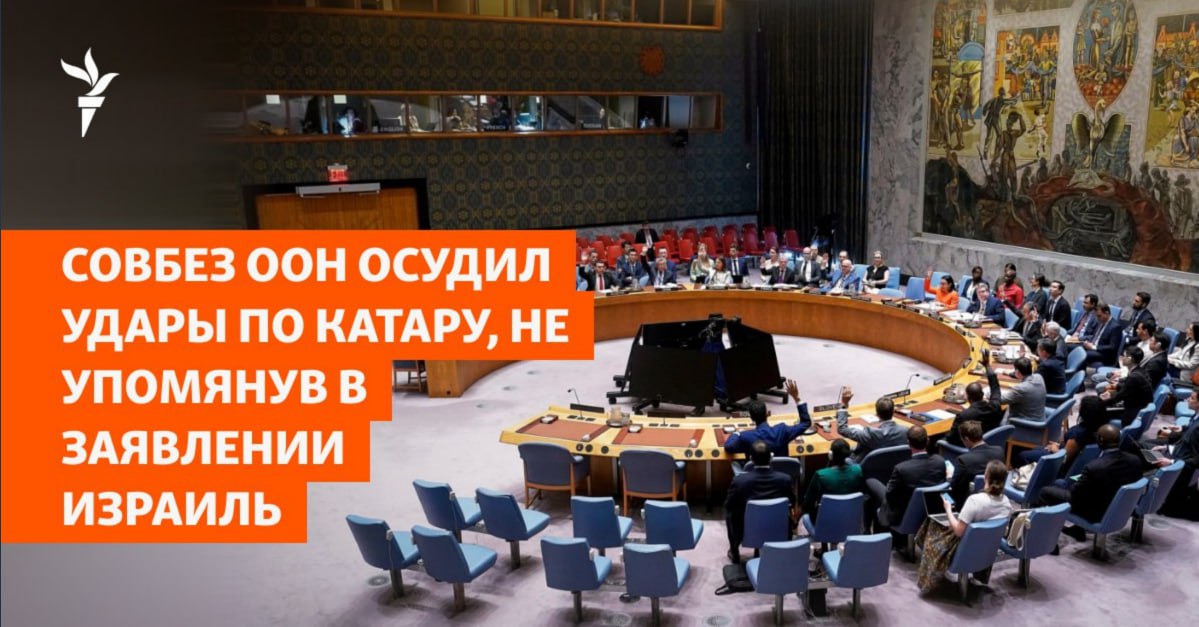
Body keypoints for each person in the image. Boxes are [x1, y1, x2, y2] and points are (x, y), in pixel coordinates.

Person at [1033, 424, 1143, 542]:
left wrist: (1080, 482)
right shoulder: (1135, 460)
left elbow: (1074, 495)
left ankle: (1043, 538)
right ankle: (1077, 530)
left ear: (1100, 440)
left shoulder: (1095, 467)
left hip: (1095, 513)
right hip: (1120, 509)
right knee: (1062, 484)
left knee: (1045, 492)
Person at [915, 461, 1011, 594]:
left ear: (986, 476)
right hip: (988, 548)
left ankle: (929, 573)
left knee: (932, 523)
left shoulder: (975, 500)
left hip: (964, 546)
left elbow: (959, 532)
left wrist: (948, 510)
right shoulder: (1006, 503)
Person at [725, 440, 795, 563]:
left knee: (730, 513)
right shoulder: (785, 480)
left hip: (746, 529)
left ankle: (735, 551)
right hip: (777, 526)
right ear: (771, 458)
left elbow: (729, 505)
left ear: (751, 459)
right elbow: (792, 502)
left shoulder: (739, 481)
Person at [868, 425, 946, 529]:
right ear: (927, 440)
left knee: (870, 480)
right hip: (931, 508)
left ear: (908, 443)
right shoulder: (940, 461)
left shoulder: (901, 468)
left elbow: (890, 494)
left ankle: (869, 528)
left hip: (904, 513)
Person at [1144, 390, 1199, 518]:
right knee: (1146, 450)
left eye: (1192, 398)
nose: (1187, 400)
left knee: (1144, 455)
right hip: (1177, 455)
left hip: (1180, 468)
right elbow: (1186, 440)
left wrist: (1171, 462)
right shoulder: (1196, 416)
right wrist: (1167, 447)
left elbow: (1197, 459)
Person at [723, 383, 812, 458]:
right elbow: (806, 422)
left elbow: (729, 447)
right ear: (767, 414)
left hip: (755, 473)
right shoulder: (782, 430)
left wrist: (736, 433)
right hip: (781, 471)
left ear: (751, 418)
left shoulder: (745, 437)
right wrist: (797, 398)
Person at [1019, 395, 1107, 471]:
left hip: (1058, 464)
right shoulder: (1099, 428)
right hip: (1067, 453)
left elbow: (1063, 459)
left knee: (1022, 456)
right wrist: (1059, 445)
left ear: (1084, 412)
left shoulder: (1078, 436)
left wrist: (1055, 448)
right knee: (1036, 449)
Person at [836, 388, 909, 462]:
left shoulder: (870, 434)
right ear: (893, 412)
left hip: (869, 467)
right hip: (895, 466)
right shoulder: (905, 431)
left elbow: (842, 429)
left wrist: (843, 404)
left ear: (877, 413)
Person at [802, 439, 865, 524]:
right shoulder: (858, 470)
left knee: (804, 518)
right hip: (851, 521)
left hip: (825, 524)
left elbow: (807, 505)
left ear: (830, 455)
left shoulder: (820, 475)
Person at [948, 421, 1005, 505]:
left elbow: (953, 487)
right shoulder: (999, 451)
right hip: (995, 496)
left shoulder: (964, 460)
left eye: (962, 439)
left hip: (968, 503)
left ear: (966, 439)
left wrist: (949, 477)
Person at [982, 349, 1046, 423]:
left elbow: (998, 400)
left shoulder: (1020, 389)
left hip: (1025, 423)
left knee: (994, 417)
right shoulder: (1039, 377)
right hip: (1038, 416)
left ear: (1018, 372)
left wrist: (986, 395)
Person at [942, 377, 1004, 448]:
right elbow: (996, 391)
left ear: (968, 398)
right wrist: (991, 373)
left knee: (938, 439)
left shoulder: (964, 416)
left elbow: (951, 438)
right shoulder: (994, 407)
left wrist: (945, 433)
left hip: (967, 448)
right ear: (983, 394)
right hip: (991, 442)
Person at [1101, 346, 1154, 426]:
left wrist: (1102, 402)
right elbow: (1128, 386)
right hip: (1137, 405)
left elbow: (1120, 396)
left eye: (1124, 356)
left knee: (1099, 410)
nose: (1122, 358)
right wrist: (1111, 393)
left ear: (1130, 359)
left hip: (1132, 413)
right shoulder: (1140, 370)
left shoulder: (1134, 376)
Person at [1083, 302, 1122, 367]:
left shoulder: (1115, 327)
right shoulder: (1100, 321)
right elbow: (1095, 337)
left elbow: (1112, 347)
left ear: (1107, 313)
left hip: (1104, 354)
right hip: (1093, 347)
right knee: (1075, 348)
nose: (1097, 318)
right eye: (1096, 316)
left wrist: (1093, 347)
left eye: (1099, 316)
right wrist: (1087, 343)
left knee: (1082, 354)